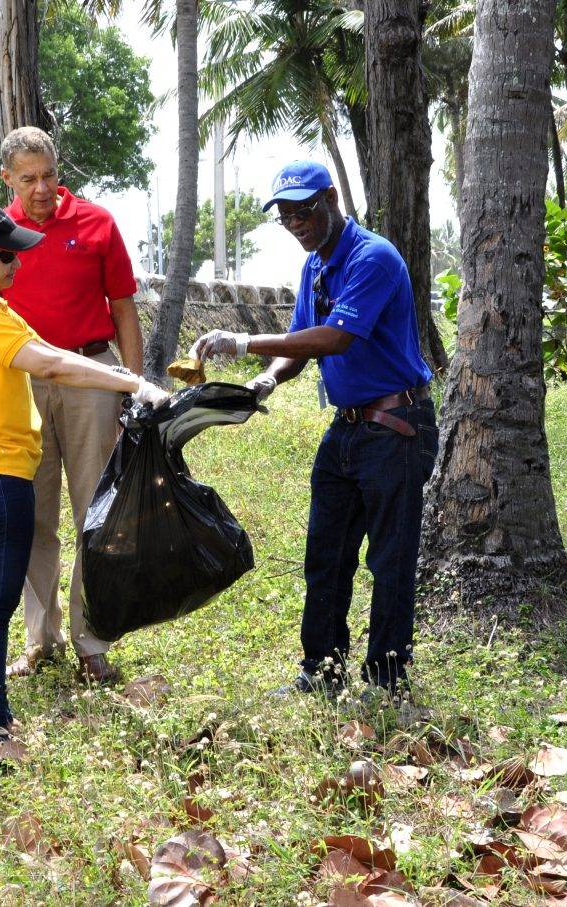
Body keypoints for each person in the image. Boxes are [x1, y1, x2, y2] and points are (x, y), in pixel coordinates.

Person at [0, 198, 167, 767]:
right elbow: (50, 366)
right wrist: (131, 384)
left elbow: (54, 351)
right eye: (4, 255)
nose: (16, 264)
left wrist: (121, 376)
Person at [191, 160, 437, 699]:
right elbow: (300, 342)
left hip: (395, 426)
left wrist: (243, 342)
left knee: (389, 559)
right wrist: (267, 379)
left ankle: (386, 679)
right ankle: (321, 670)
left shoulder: (372, 257)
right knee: (325, 555)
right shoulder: (315, 266)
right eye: (285, 216)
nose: (296, 222)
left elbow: (332, 339)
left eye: (304, 210)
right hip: (347, 429)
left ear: (330, 199)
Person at [0, 126, 145, 684]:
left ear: (60, 173)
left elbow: (125, 308)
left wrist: (131, 384)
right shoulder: (0, 234)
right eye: (28, 178)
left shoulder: (97, 223)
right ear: (8, 178)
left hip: (90, 376)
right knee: (32, 514)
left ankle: (91, 641)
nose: (41, 188)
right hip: (25, 381)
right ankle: (42, 639)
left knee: (95, 512)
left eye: (49, 175)